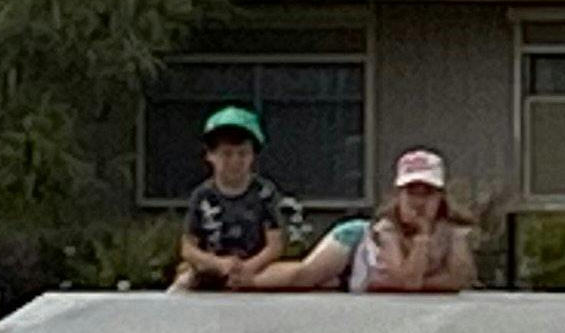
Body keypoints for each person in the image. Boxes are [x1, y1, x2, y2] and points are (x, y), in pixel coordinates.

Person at [275, 152, 482, 294]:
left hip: (352, 279)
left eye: (427, 194)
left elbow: (457, 279)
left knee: (319, 283)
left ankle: (336, 282)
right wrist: (422, 238)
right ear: (398, 196)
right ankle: (248, 280)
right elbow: (408, 282)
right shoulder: (386, 229)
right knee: (303, 276)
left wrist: (414, 283)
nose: (419, 203)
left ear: (441, 197)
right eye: (412, 193)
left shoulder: (452, 231)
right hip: (354, 242)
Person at [171, 106, 304, 292]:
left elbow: (275, 244)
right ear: (210, 156)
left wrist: (248, 268)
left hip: (255, 267)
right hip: (214, 267)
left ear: (252, 156)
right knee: (184, 276)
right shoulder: (202, 196)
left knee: (294, 272)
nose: (235, 162)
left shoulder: (264, 192)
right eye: (226, 154)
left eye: (242, 154)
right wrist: (219, 264)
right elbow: (188, 248)